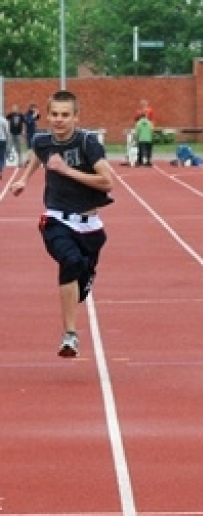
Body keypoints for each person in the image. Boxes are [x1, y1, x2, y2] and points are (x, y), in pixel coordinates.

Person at [10, 90, 115, 358]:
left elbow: (107, 182)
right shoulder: (42, 140)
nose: (59, 119)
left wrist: (66, 170)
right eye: (54, 114)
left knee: (80, 275)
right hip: (56, 219)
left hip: (90, 227)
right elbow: (38, 154)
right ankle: (70, 334)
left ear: (76, 117)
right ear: (47, 115)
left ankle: (85, 275)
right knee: (69, 261)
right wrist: (24, 179)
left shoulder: (87, 143)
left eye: (65, 115)